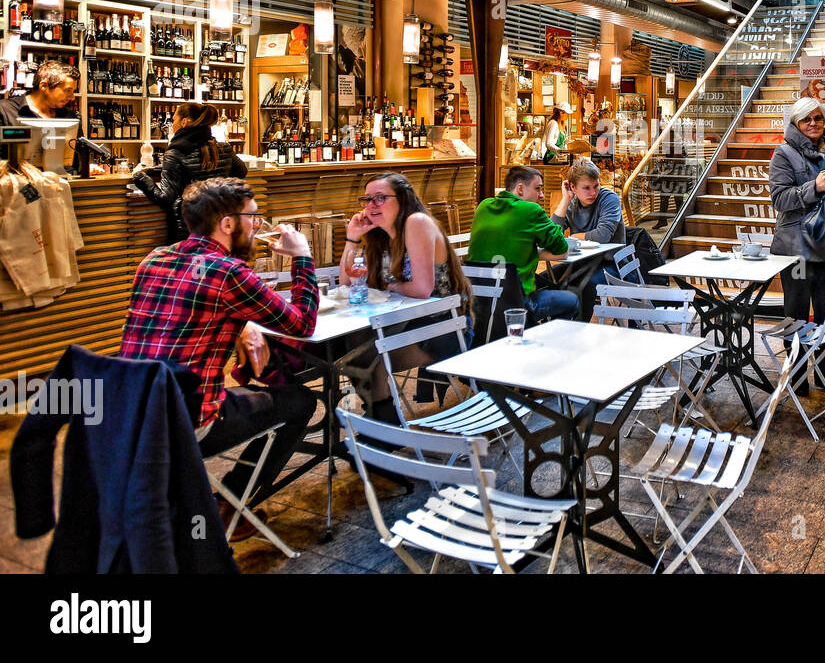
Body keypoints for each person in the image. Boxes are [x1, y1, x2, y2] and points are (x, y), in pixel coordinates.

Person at [119, 178, 318, 533]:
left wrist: (244, 325)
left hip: (130, 416)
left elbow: (189, 308)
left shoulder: (154, 259)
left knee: (249, 394)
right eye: (253, 218)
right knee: (299, 400)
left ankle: (208, 500)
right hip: (187, 423)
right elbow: (302, 324)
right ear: (227, 223)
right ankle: (231, 507)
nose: (257, 226)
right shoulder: (229, 272)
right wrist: (302, 256)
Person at [337, 172, 475, 418]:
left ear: (402, 199)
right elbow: (348, 283)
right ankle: (383, 415)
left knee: (358, 353)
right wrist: (353, 238)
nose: (370, 206)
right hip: (399, 325)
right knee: (350, 351)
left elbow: (421, 290)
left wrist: (383, 288)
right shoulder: (379, 237)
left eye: (380, 198)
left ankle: (383, 417)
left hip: (441, 328)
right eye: (367, 199)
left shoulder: (416, 222)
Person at [769, 97, 825, 394]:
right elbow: (780, 200)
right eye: (807, 120)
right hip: (797, 252)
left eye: (818, 118)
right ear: (796, 123)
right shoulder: (784, 154)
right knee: (797, 315)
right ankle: (798, 375)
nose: (813, 124)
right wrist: (813, 187)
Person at [467, 165, 578, 323]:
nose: (542, 195)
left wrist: (529, 251)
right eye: (537, 188)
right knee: (570, 300)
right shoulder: (531, 210)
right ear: (520, 189)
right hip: (516, 302)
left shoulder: (483, 206)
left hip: (479, 301)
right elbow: (562, 248)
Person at [132, 103, 247, 244]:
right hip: (221, 225)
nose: (172, 124)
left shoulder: (175, 153)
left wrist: (139, 175)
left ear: (184, 122)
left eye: (174, 120)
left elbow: (164, 198)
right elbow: (241, 171)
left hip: (189, 229)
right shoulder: (223, 148)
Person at [550, 157, 626, 318]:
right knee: (548, 281)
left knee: (583, 285)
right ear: (572, 187)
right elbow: (551, 234)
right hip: (581, 262)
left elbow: (603, 235)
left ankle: (577, 330)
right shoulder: (572, 203)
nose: (593, 192)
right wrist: (565, 200)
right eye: (586, 188)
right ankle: (559, 328)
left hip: (612, 263)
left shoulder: (609, 198)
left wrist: (575, 236)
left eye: (596, 186)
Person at [0, 59, 80, 163]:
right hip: (19, 178)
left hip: (62, 178)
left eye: (73, 91)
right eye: (68, 90)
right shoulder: (5, 110)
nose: (72, 97)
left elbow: (76, 160)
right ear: (44, 86)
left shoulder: (70, 116)